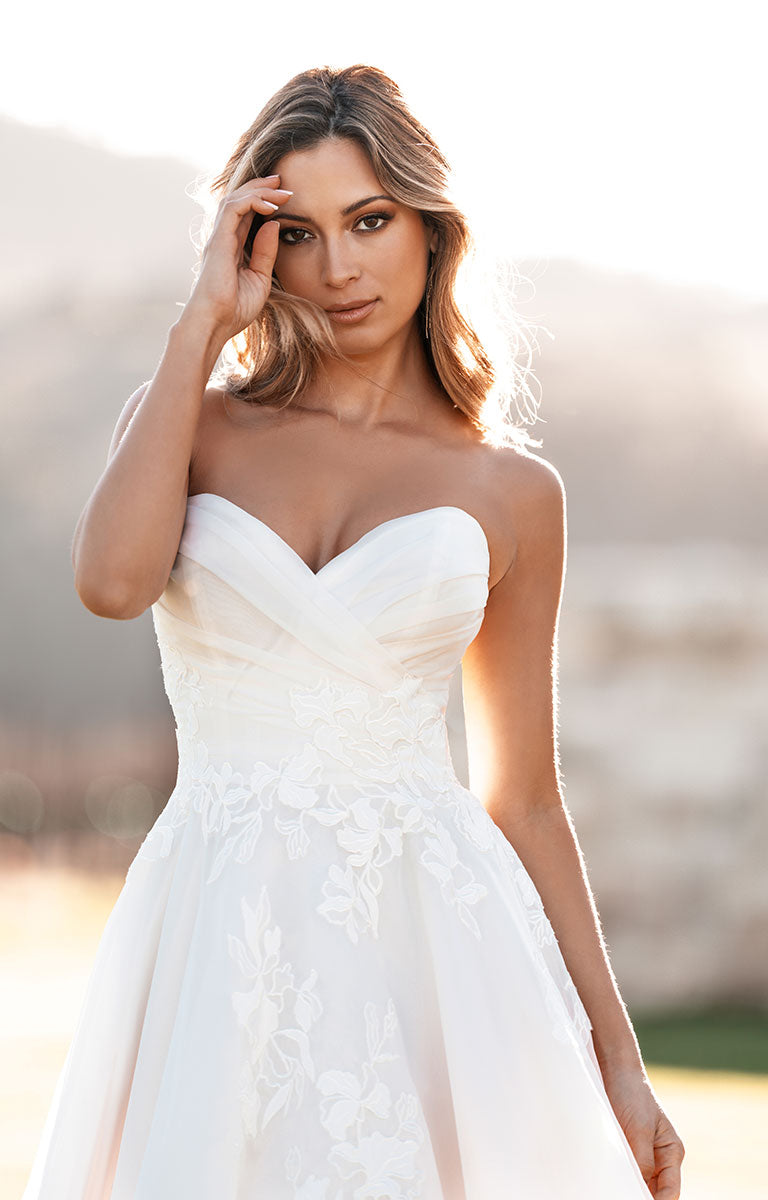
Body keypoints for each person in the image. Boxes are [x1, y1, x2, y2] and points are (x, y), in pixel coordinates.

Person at [24, 64, 684, 1199]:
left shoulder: (511, 492)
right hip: (214, 922)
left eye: (370, 221)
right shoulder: (194, 422)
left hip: (430, 940)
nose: (339, 269)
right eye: (301, 231)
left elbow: (523, 794)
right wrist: (198, 327)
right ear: (256, 247)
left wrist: (618, 1059)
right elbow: (111, 585)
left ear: (431, 227)